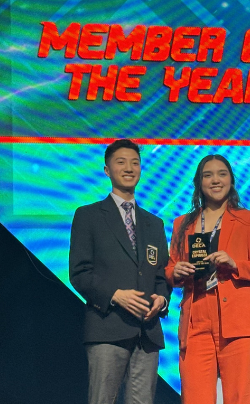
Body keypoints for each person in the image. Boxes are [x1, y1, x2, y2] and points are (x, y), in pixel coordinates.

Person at [69, 139, 171, 404]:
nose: (129, 168)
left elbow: (162, 273)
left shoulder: (154, 223)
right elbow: (79, 273)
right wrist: (115, 295)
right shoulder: (88, 215)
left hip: (147, 332)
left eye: (135, 163)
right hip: (107, 327)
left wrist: (162, 299)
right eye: (121, 162)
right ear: (107, 170)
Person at [165, 154, 250, 404]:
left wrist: (235, 264)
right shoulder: (183, 223)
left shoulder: (246, 219)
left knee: (241, 397)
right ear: (199, 182)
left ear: (231, 181)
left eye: (222, 174)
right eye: (208, 175)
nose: (215, 180)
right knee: (195, 397)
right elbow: (170, 269)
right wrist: (176, 272)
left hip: (238, 319)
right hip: (196, 319)